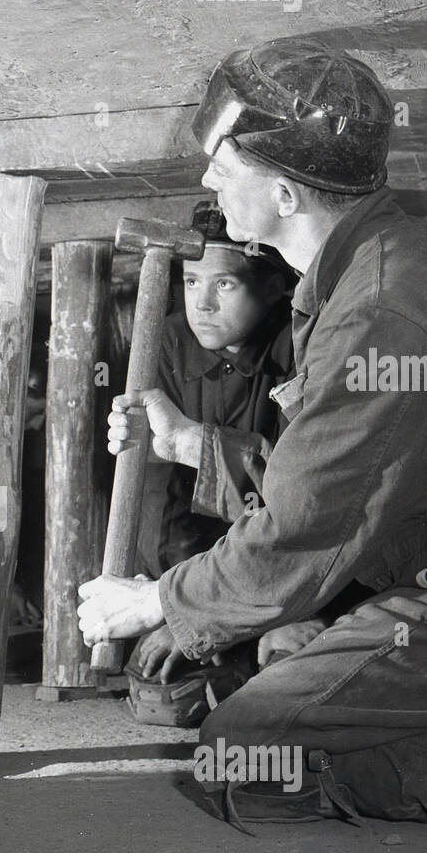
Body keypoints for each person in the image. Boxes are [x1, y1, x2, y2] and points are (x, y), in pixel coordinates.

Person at [79, 36, 427, 832]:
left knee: (242, 752)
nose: (207, 176)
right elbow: (330, 481)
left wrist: (153, 600)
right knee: (248, 680)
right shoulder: (376, 269)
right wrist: (188, 443)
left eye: (226, 160)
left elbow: (309, 523)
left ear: (288, 195)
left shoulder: (381, 311)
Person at [126, 198, 301, 726]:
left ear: (274, 289)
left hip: (293, 567)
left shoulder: (305, 347)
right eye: (190, 282)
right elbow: (165, 505)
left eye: (223, 285)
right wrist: (178, 609)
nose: (201, 304)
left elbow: (307, 506)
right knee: (166, 698)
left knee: (294, 676)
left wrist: (282, 616)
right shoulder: (165, 345)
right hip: (201, 565)